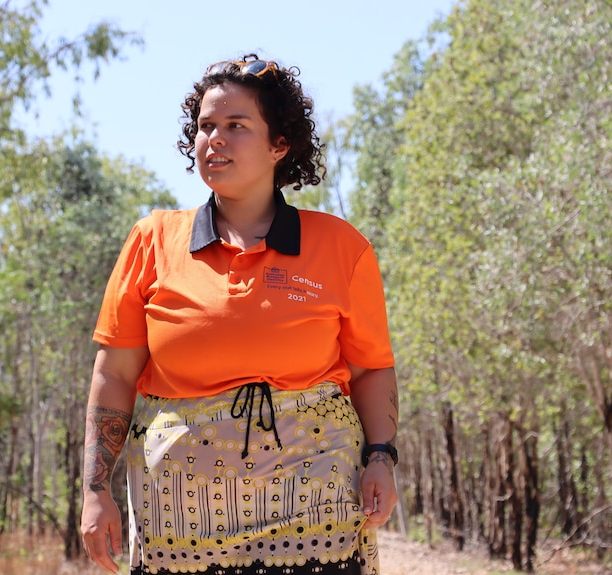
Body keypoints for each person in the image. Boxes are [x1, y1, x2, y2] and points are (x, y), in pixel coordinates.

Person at [80, 54, 399, 575]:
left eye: (236, 125)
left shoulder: (343, 248)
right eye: (206, 126)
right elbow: (114, 374)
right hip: (179, 517)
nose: (215, 139)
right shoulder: (154, 240)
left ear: (280, 144)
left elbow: (370, 370)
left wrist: (382, 459)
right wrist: (96, 491)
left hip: (316, 506)